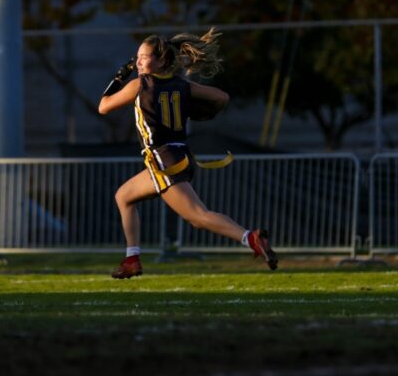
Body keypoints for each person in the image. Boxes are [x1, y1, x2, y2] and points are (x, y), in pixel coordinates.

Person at [98, 28, 278, 278]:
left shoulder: (140, 84)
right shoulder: (181, 84)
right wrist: (194, 111)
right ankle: (132, 258)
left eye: (144, 56)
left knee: (198, 216)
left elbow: (103, 107)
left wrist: (118, 78)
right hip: (179, 156)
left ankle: (251, 238)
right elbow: (221, 97)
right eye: (137, 56)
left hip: (162, 159)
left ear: (161, 60)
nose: (138, 62)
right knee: (124, 196)